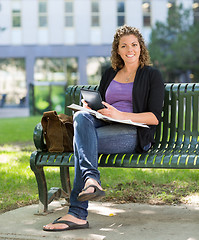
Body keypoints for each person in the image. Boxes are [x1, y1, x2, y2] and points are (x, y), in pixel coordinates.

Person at [43, 25, 164, 231]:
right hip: (105, 125)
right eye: (123, 46)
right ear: (117, 50)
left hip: (133, 133)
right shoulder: (110, 73)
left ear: (141, 48)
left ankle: (78, 213)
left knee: (82, 145)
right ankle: (91, 181)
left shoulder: (152, 75)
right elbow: (100, 102)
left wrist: (121, 115)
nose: (129, 50)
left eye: (134, 45)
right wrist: (91, 108)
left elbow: (153, 118)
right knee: (81, 116)